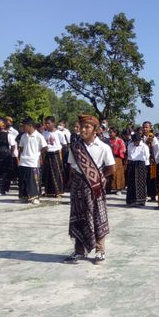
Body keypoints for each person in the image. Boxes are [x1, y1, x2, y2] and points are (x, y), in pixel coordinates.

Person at [63, 114, 115, 265]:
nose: (83, 130)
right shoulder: (75, 147)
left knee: (98, 217)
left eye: (87, 127)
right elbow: (72, 168)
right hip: (78, 187)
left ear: (95, 130)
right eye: (81, 127)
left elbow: (111, 168)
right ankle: (79, 250)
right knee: (79, 217)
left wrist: (99, 178)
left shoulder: (104, 147)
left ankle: (100, 250)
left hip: (95, 187)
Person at [18, 118, 47, 204]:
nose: (23, 128)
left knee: (33, 181)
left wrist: (38, 154)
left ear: (30, 126)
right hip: (23, 161)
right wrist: (20, 157)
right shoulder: (23, 136)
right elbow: (21, 147)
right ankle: (24, 196)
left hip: (33, 161)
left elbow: (45, 147)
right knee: (23, 180)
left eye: (24, 126)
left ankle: (35, 197)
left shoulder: (39, 136)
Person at [42, 116, 66, 198]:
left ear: (53, 123)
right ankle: (48, 191)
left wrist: (61, 153)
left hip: (56, 154)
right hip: (47, 154)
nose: (47, 125)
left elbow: (64, 144)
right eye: (46, 123)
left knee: (56, 173)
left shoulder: (59, 133)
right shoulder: (44, 133)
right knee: (47, 173)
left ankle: (58, 192)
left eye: (48, 123)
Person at [125, 133, 149, 206]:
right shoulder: (130, 145)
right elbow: (129, 155)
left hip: (141, 164)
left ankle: (140, 201)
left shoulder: (144, 146)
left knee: (140, 182)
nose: (136, 143)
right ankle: (131, 200)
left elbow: (147, 156)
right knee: (131, 183)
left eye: (137, 141)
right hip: (132, 164)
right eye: (135, 141)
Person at [142, 121, 159, 201]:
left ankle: (153, 195)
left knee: (152, 178)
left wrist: (157, 160)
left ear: (150, 128)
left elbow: (157, 150)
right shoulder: (140, 137)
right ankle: (144, 194)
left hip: (152, 160)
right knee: (144, 178)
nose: (145, 129)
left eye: (147, 127)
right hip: (143, 160)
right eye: (144, 127)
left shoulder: (153, 138)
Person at [0, 120, 15, 196]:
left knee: (5, 172)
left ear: (3, 126)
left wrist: (10, 153)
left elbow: (13, 146)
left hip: (6, 155)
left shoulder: (9, 135)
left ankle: (3, 189)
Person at [106, 128, 126, 195]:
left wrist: (116, 153)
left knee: (117, 173)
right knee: (109, 173)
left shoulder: (120, 140)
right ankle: (108, 188)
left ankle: (118, 189)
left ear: (115, 133)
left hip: (117, 158)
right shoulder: (107, 140)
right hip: (108, 158)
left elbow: (123, 149)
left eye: (111, 132)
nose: (110, 134)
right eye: (109, 132)